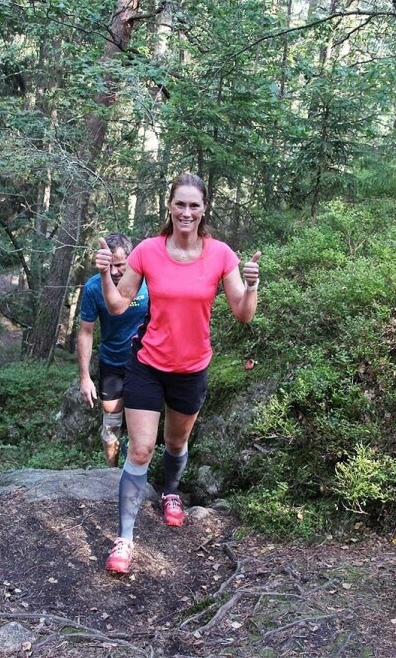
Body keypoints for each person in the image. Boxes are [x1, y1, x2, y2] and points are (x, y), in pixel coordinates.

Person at [95, 173, 261, 574]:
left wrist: (252, 286)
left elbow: (243, 314)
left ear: (204, 210)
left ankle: (170, 491)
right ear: (169, 207)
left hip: (191, 368)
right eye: (180, 204)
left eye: (194, 205)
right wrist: (104, 274)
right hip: (148, 364)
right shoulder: (148, 251)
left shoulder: (221, 254)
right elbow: (118, 306)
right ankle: (125, 538)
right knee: (140, 449)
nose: (186, 212)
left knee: (175, 444)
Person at [78, 232, 150, 468]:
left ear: (131, 260)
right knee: (111, 421)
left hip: (145, 361)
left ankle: (136, 473)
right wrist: (85, 377)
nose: (116, 271)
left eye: (120, 265)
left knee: (141, 422)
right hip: (112, 361)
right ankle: (111, 473)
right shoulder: (93, 288)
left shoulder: (148, 282)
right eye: (110, 266)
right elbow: (86, 331)